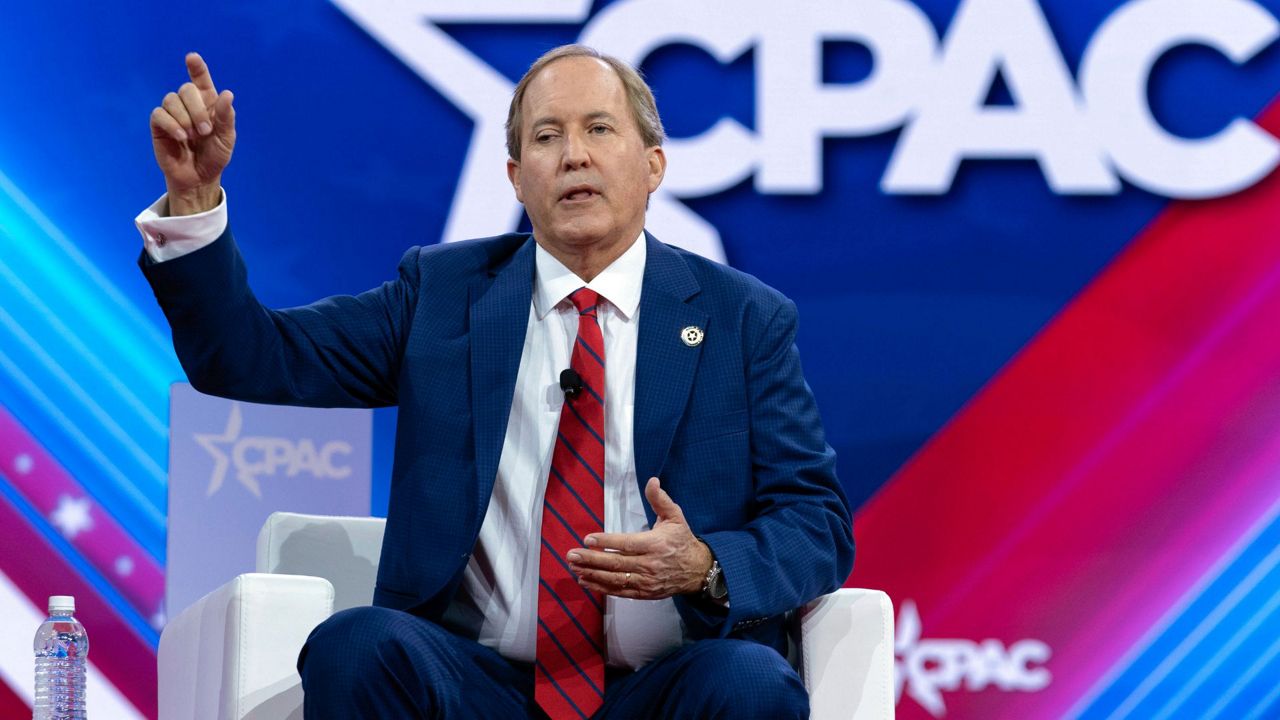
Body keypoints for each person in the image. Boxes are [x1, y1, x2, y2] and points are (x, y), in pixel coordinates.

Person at [138, 44, 853, 719]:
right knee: (356, 646)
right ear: (515, 177)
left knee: (750, 682)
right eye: (546, 137)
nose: (573, 154)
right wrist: (196, 206)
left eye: (599, 129)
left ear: (653, 164)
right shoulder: (444, 296)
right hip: (476, 686)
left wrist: (704, 565)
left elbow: (815, 521)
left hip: (666, 685)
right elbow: (252, 357)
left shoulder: (742, 320)